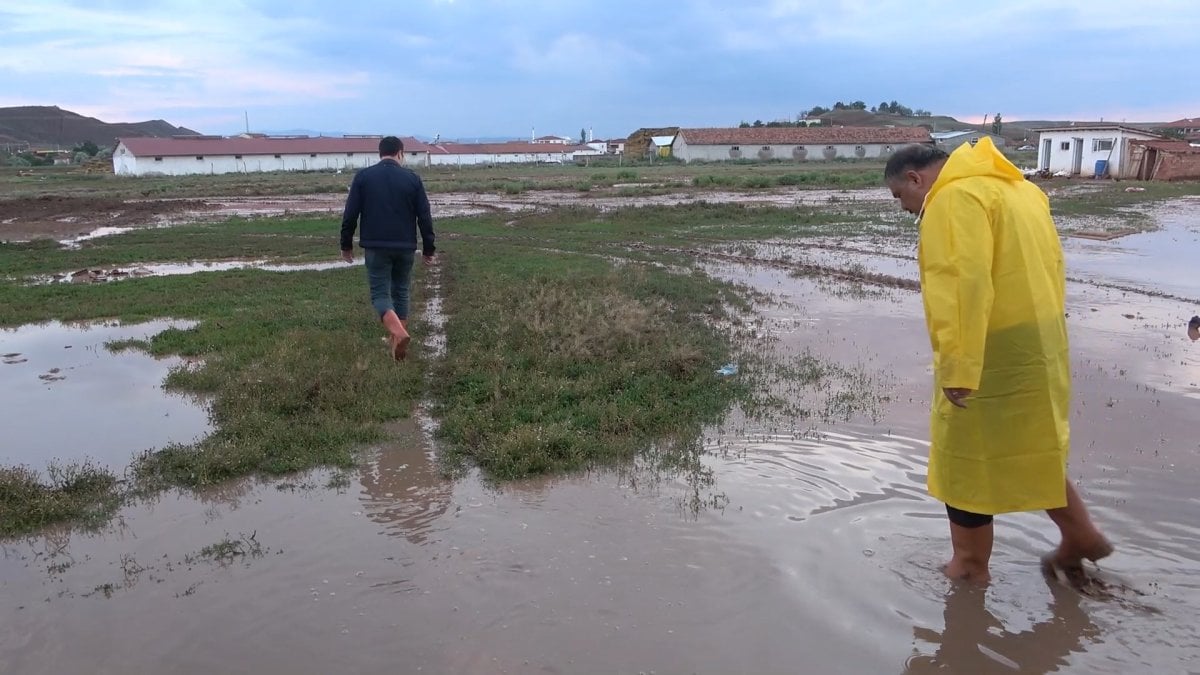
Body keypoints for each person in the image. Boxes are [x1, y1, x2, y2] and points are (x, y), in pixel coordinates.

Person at [885, 139, 1112, 583]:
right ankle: (1080, 533)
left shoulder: (953, 197)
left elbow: (961, 286)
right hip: (1039, 343)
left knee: (965, 458)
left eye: (900, 197)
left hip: (989, 345)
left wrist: (958, 365)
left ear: (916, 178)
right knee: (1029, 443)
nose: (904, 207)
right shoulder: (1021, 190)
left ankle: (968, 566)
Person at [340, 136, 435, 360]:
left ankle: (399, 334)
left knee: (380, 294)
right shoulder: (412, 179)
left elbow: (350, 214)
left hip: (376, 247)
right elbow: (425, 217)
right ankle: (396, 341)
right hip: (405, 247)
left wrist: (346, 244)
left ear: (380, 153)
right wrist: (429, 248)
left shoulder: (364, 177)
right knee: (401, 291)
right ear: (400, 153)